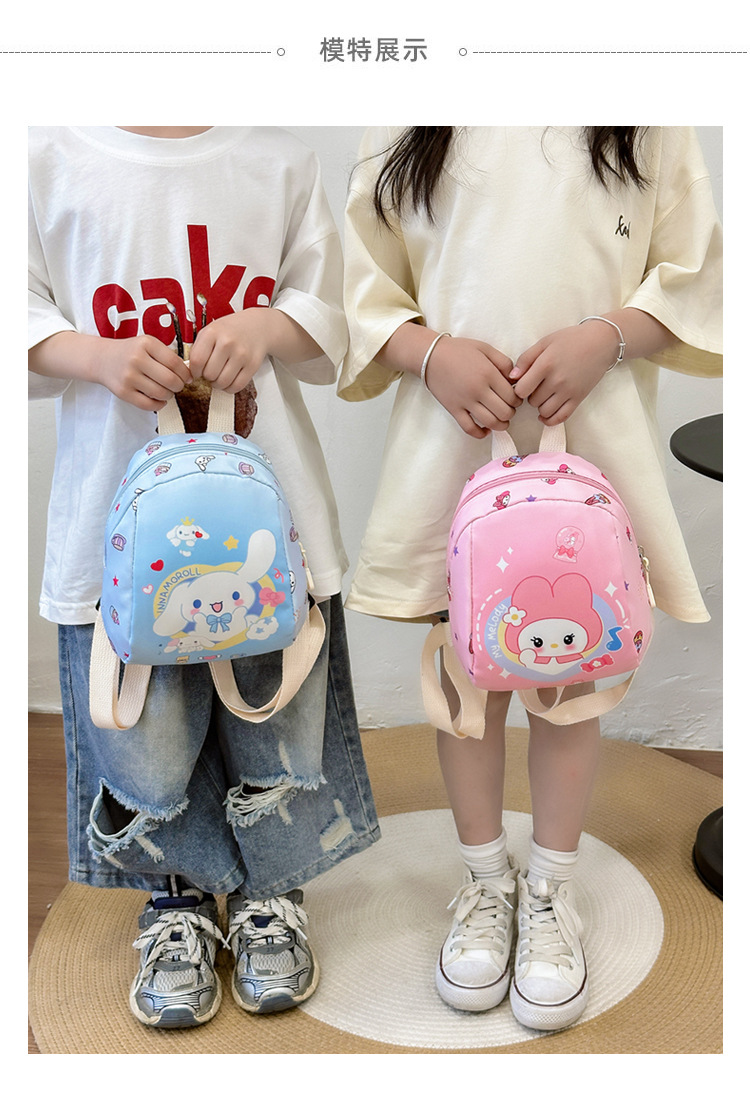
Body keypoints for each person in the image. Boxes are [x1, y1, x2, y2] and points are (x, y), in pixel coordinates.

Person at [339, 126, 722, 1030]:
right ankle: (485, 881)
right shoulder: (408, 113)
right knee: (469, 682)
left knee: (570, 681)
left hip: (593, 445)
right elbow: (358, 287)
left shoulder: (644, 114)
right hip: (450, 448)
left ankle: (550, 889)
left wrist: (609, 335)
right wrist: (428, 352)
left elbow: (696, 273)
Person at [28, 126, 380, 1029]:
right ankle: (177, 899)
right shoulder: (50, 159)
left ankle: (271, 892)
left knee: (275, 712)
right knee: (147, 729)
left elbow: (330, 318)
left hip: (266, 516)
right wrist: (96, 354)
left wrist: (265, 325)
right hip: (118, 530)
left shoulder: (277, 158)